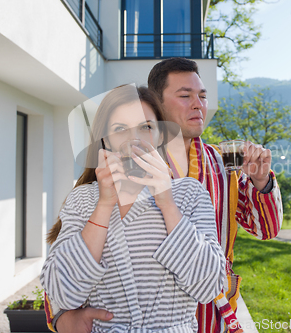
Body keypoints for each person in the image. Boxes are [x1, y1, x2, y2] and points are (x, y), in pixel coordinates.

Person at [51, 58, 283, 333]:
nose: (198, 104)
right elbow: (69, 254)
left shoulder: (225, 163)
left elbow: (266, 229)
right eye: (185, 96)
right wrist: (60, 318)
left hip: (215, 313)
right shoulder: (112, 173)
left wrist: (261, 181)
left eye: (203, 96)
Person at [42, 85, 226, 333]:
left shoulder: (188, 194)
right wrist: (105, 204)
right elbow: (62, 294)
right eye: (120, 129)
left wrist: (167, 203)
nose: (133, 139)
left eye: (146, 127)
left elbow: (210, 286)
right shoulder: (83, 198)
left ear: (160, 135)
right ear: (104, 139)